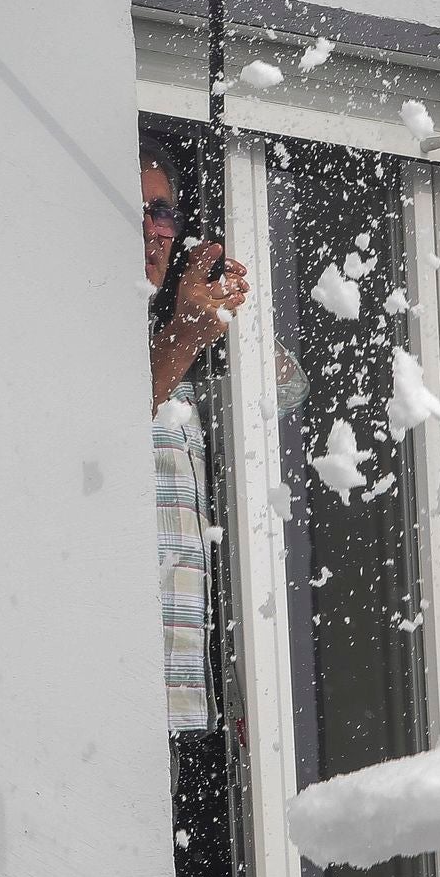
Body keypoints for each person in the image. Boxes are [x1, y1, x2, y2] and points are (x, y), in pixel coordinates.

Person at [141, 134, 248, 735]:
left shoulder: (173, 355)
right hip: (117, 688)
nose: (154, 229)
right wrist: (183, 335)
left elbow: (290, 394)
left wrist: (235, 329)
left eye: (162, 211)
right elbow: (92, 445)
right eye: (134, 210)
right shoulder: (82, 334)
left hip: (183, 699)